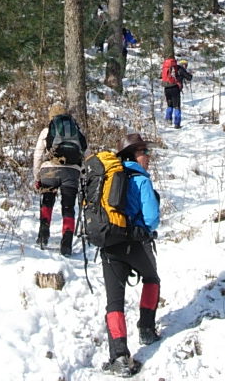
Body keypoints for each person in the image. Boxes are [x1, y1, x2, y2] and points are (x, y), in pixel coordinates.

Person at [100, 133, 161, 377]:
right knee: (152, 279)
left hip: (108, 245)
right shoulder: (140, 179)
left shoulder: (107, 176)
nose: (148, 157)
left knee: (114, 303)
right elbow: (152, 219)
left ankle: (119, 358)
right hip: (135, 244)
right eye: (145, 152)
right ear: (134, 154)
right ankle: (146, 328)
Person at [32, 102, 87, 256]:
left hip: (49, 170)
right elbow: (85, 154)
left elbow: (37, 155)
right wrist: (82, 174)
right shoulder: (76, 130)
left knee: (47, 201)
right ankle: (67, 242)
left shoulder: (47, 130)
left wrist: (37, 176)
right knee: (68, 207)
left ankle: (43, 235)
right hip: (72, 172)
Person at [159, 56, 193, 129]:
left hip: (167, 88)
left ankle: (168, 121)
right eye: (185, 65)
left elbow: (160, 76)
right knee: (177, 106)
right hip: (175, 89)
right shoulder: (180, 69)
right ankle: (177, 124)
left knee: (169, 105)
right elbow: (189, 78)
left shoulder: (167, 68)